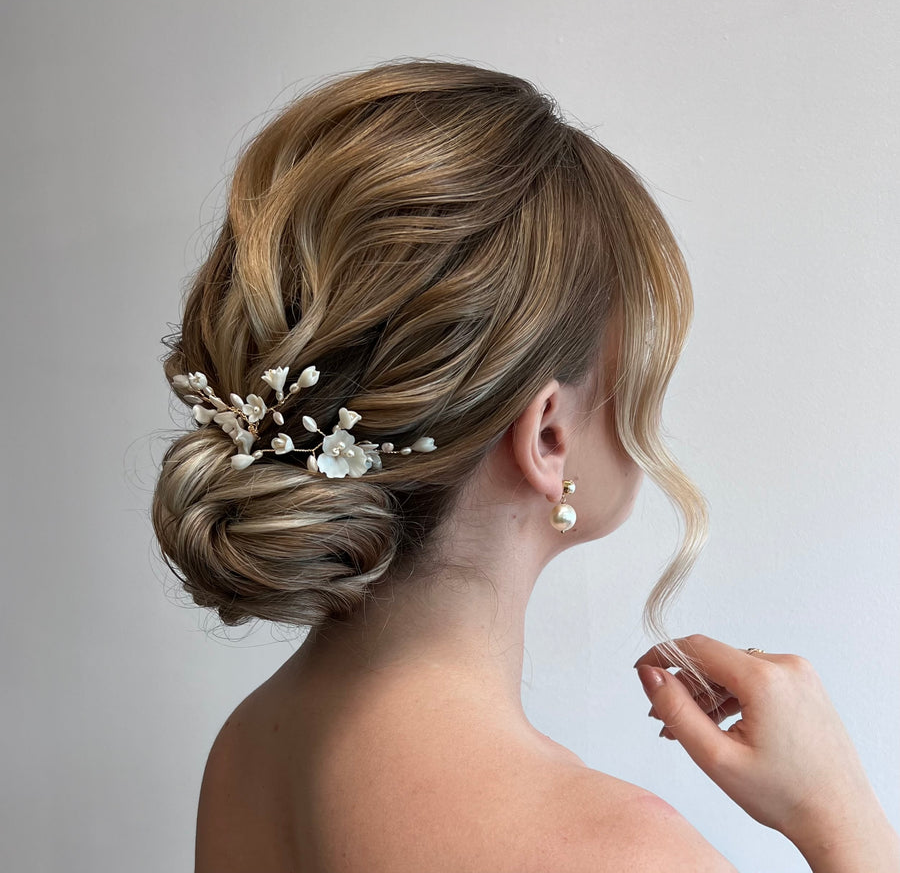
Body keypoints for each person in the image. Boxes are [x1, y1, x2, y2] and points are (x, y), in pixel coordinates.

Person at [151, 58, 899, 872]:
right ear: (547, 436)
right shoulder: (617, 852)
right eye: (638, 376)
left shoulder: (252, 748)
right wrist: (841, 814)